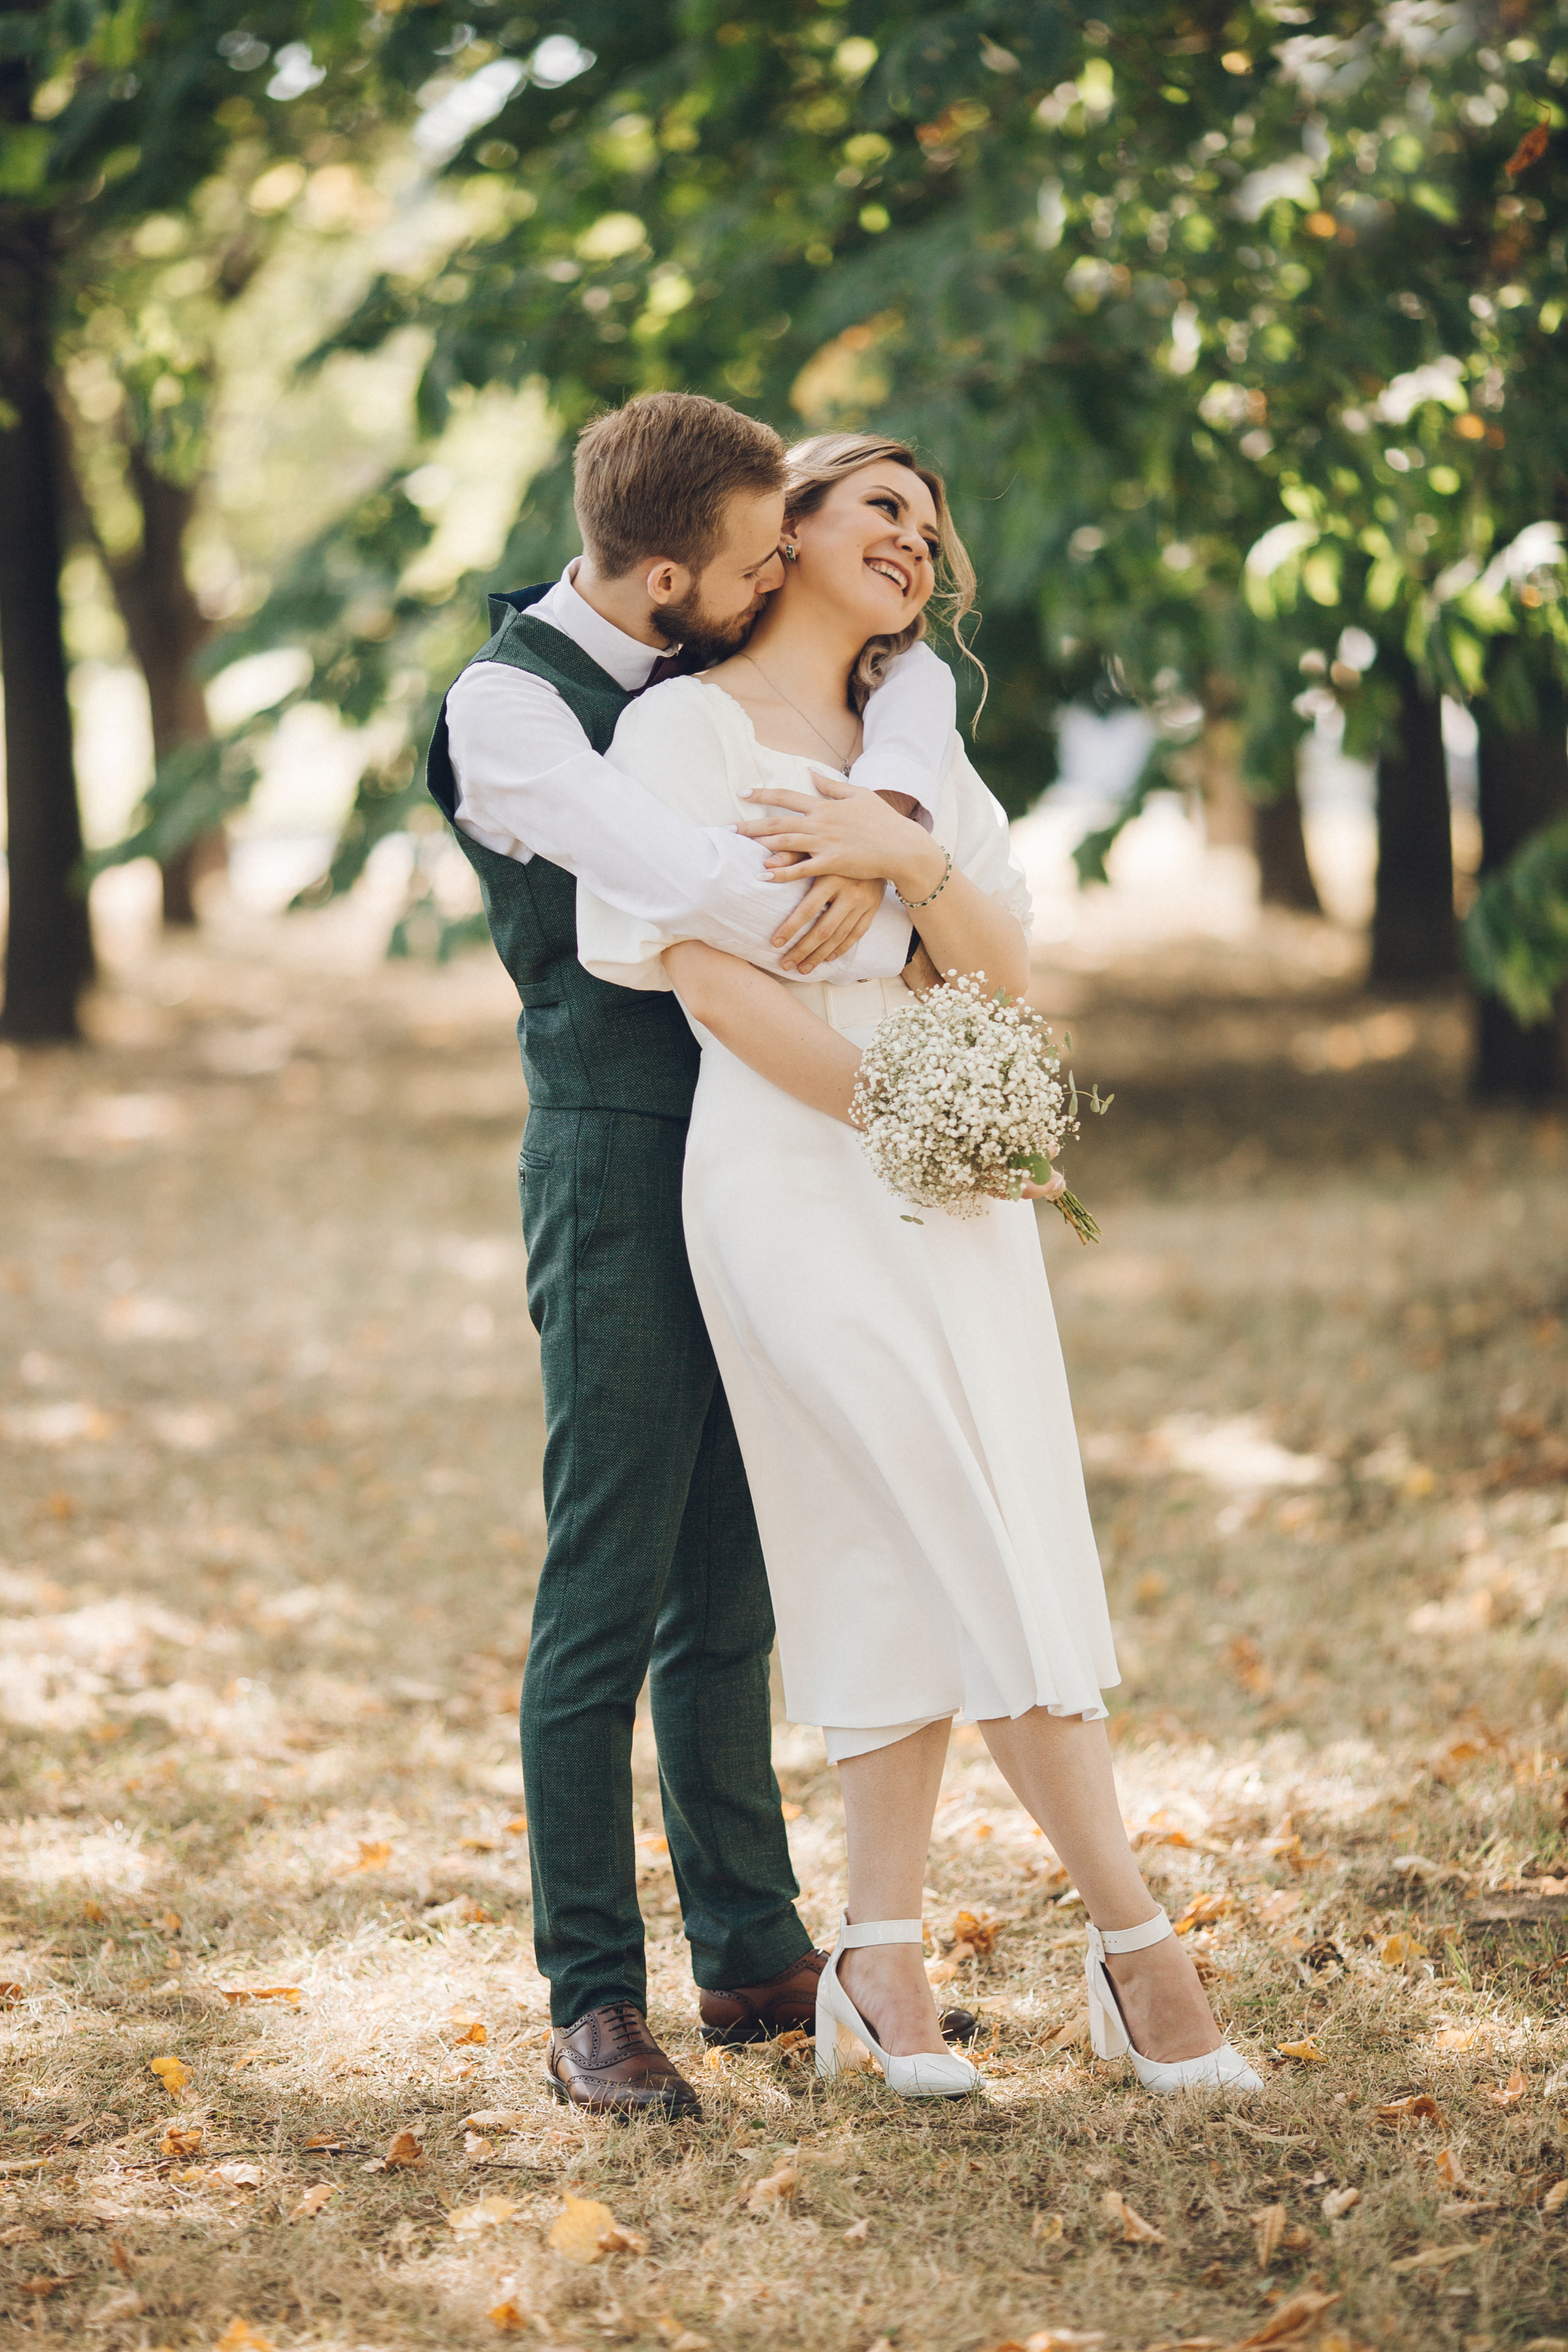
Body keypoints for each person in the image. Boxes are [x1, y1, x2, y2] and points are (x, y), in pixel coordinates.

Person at [576, 432, 1262, 2098]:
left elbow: (1003, 968)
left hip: (952, 1172)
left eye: (931, 523)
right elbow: (710, 984)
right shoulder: (677, 731)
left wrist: (910, 861)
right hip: (796, 1161)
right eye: (882, 505)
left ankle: (879, 1965)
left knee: (911, 1537)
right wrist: (906, 1112)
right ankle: (1137, 1949)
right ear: (782, 527)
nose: (916, 538)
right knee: (951, 1516)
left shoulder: (916, 741)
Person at [426, 393, 959, 2116]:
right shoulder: (512, 704)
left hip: (762, 1150)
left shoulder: (715, 672)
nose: (766, 579)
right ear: (668, 579)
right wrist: (868, 896)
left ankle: (748, 1942)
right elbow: (654, 879)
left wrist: (895, 875)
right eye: (744, 564)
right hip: (616, 1152)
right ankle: (593, 1996)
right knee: (608, 1583)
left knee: (728, 1580)